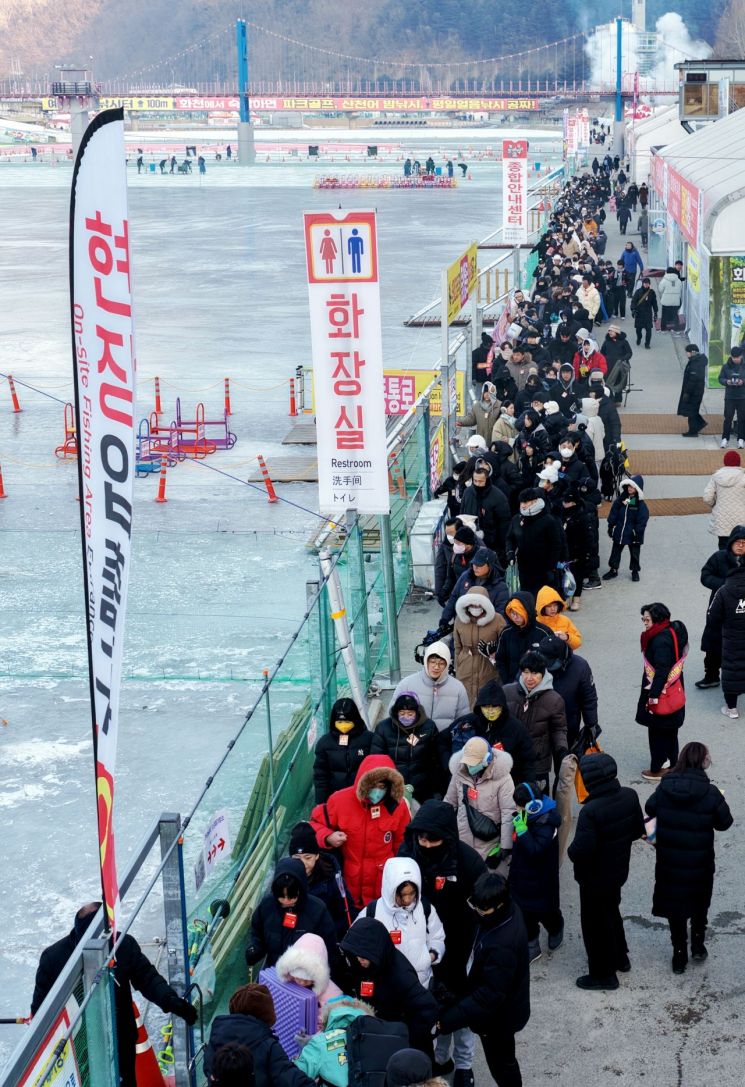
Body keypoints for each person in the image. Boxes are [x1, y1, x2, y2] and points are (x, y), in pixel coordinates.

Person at [31, 903, 197, 1087]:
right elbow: (41, 1013)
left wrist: (170, 1000)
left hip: (121, 1042)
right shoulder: (53, 959)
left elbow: (147, 977)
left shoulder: (123, 945)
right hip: (80, 1051)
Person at [398, 801, 486, 1083]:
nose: (424, 843)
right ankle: (439, 1058)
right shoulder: (408, 856)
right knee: (429, 1007)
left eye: (431, 838)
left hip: (460, 947)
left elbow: (484, 903)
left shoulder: (468, 861)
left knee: (461, 1009)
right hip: (420, 948)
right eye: (420, 837)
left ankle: (463, 1065)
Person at [644, 742, 733, 974]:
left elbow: (649, 808)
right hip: (700, 862)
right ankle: (698, 945)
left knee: (676, 909)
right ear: (704, 761)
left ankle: (679, 954)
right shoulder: (710, 792)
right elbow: (725, 823)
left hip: (669, 861)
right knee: (699, 903)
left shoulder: (665, 787)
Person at [436, 872, 530, 1087]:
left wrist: (449, 1020)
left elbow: (488, 995)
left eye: (482, 909)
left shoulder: (503, 944)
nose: (477, 912)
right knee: (503, 1061)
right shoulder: (502, 914)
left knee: (502, 1064)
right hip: (501, 1009)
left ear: (499, 905)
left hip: (499, 1019)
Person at [567, 753, 645, 990]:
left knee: (595, 925)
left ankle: (603, 974)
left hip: (593, 878)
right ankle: (621, 956)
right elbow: (636, 831)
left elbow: (580, 851)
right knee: (611, 912)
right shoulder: (629, 795)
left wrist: (570, 849)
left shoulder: (590, 811)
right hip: (618, 871)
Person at [310, 755, 410, 909]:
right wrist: (328, 836)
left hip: (383, 886)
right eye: (373, 785)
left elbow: (403, 844)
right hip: (350, 883)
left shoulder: (398, 806)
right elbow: (314, 825)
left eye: (383, 787)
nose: (378, 791)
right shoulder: (339, 801)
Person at [340, 918, 439, 1056]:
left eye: (363, 956)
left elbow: (427, 1007)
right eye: (356, 955)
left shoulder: (400, 975)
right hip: (379, 1034)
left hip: (403, 1044)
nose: (358, 960)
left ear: (376, 951)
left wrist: (404, 1036)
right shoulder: (362, 964)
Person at [357, 857, 446, 987]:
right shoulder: (372, 911)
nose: (407, 900)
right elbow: (356, 944)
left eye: (412, 893)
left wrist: (431, 956)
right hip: (386, 985)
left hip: (420, 984)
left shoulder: (425, 908)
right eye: (402, 895)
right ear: (390, 889)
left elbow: (437, 937)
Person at [204, 983, 315, 1087]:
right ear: (267, 1015)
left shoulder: (218, 1033)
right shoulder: (268, 1044)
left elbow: (208, 1069)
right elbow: (288, 1076)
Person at [244, 857, 338, 969]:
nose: (286, 901)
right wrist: (255, 949)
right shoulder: (267, 905)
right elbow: (257, 932)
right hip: (274, 970)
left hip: (304, 976)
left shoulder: (318, 910)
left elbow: (329, 946)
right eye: (281, 896)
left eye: (292, 896)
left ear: (301, 889)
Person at [509, 782, 563, 964]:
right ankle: (532, 945)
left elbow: (535, 850)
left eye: (519, 804)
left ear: (533, 806)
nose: (516, 808)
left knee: (546, 911)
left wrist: (522, 831)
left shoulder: (547, 823)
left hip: (541, 878)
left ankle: (556, 927)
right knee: (525, 914)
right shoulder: (529, 815)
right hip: (521, 875)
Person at [635, 603, 688, 782]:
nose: (644, 622)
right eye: (643, 619)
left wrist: (653, 696)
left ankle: (658, 767)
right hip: (674, 690)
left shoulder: (659, 640)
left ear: (657, 619)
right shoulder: (672, 630)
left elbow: (662, 670)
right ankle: (673, 762)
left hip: (661, 692)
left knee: (657, 731)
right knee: (671, 730)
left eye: (647, 619)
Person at [448, 680, 536, 784]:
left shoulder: (516, 728)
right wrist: (449, 766)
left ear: (502, 706)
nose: (490, 711)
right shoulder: (467, 722)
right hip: (470, 783)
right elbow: (442, 740)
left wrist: (525, 787)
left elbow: (528, 761)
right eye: (486, 706)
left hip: (505, 785)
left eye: (494, 706)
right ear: (480, 706)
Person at [503, 652, 568, 792]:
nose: (529, 678)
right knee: (510, 803)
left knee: (536, 804)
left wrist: (562, 749)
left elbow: (559, 729)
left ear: (543, 673)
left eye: (534, 673)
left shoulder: (554, 700)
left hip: (538, 763)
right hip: (509, 759)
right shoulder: (507, 692)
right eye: (526, 672)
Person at [444, 737, 514, 867]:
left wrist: (506, 847)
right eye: (468, 762)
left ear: (486, 759)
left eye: (474, 763)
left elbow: (508, 812)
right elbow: (449, 803)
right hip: (463, 842)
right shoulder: (459, 773)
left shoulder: (503, 779)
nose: (470, 766)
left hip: (489, 846)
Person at [371, 692, 443, 803]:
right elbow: (376, 759)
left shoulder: (428, 727)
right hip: (393, 787)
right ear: (396, 713)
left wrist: (436, 789)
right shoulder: (383, 728)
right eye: (402, 713)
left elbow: (435, 759)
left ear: (417, 713)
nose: (406, 717)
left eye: (410, 714)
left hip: (422, 788)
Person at [697, 525, 745, 689]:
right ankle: (711, 676)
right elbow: (705, 575)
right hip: (719, 610)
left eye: (744, 542)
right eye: (737, 542)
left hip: (741, 613)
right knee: (713, 644)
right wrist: (723, 586)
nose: (740, 545)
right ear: (731, 542)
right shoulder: (719, 558)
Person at [287, 821, 354, 937]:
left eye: (308, 857)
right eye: (297, 858)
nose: (303, 864)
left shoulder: (333, 881)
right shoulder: (284, 880)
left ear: (317, 856)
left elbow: (346, 915)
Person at [391, 643, 470, 735]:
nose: (436, 667)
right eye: (432, 662)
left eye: (441, 663)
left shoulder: (458, 688)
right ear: (426, 661)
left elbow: (463, 721)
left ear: (447, 664)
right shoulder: (406, 684)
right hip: (414, 742)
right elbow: (393, 715)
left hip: (444, 742)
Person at [537, 634, 599, 750]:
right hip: (539, 722)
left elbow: (589, 698)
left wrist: (591, 724)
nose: (547, 666)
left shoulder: (580, 667)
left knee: (564, 758)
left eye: (550, 662)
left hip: (568, 722)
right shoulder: (535, 662)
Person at [705, 552, 745, 719]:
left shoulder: (724, 589)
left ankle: (732, 709)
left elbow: (712, 615)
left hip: (732, 638)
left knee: (733, 669)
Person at [505, 489, 565, 597]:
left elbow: (556, 544)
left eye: (526, 502)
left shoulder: (548, 520)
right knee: (527, 595)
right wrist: (510, 552)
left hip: (543, 568)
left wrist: (551, 567)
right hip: (524, 567)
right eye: (521, 502)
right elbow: (510, 538)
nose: (523, 505)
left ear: (535, 501)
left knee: (542, 597)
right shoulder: (517, 519)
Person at [453, 585, 505, 707]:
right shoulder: (460, 619)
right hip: (466, 666)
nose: (475, 608)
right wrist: (458, 666)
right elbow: (457, 646)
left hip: (488, 667)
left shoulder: (497, 620)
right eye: (472, 605)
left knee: (487, 699)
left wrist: (494, 652)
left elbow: (504, 645)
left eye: (479, 605)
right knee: (466, 700)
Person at [313, 697, 372, 803]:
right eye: (339, 721)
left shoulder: (369, 739)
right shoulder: (324, 743)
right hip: (336, 798)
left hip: (363, 797)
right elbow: (320, 776)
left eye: (347, 721)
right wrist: (321, 803)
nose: (343, 725)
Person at [275, 932, 343, 1025]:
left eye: (307, 979)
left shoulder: (332, 995)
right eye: (298, 976)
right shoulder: (288, 981)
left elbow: (333, 1023)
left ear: (318, 977)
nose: (301, 982)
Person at [492, 592, 553, 685]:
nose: (515, 617)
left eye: (518, 613)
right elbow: (500, 659)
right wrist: (507, 681)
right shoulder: (506, 632)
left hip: (538, 685)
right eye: (512, 613)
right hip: (512, 684)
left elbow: (551, 661)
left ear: (527, 612)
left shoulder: (543, 632)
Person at [560, 482, 601, 603]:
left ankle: (576, 599)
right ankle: (566, 597)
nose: (564, 504)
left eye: (567, 502)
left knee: (577, 575)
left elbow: (589, 537)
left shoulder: (583, 516)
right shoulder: (562, 514)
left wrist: (587, 554)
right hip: (565, 550)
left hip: (579, 551)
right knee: (565, 574)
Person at [603, 474, 649, 582]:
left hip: (633, 534)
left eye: (632, 487)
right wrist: (611, 525)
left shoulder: (640, 504)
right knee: (615, 551)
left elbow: (642, 519)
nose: (629, 488)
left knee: (634, 553)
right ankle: (613, 569)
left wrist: (637, 532)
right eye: (628, 486)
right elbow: (614, 512)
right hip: (620, 531)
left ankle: (635, 571)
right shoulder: (621, 500)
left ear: (637, 489)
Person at [458, 464, 511, 558]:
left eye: (481, 481)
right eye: (475, 481)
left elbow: (504, 524)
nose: (478, 484)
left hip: (491, 545)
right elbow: (462, 514)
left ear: (486, 480)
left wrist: (502, 548)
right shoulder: (468, 493)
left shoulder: (498, 497)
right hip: (470, 544)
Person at [703, 450, 745, 546]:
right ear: (739, 463)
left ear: (725, 462)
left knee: (724, 549)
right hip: (741, 519)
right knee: (741, 547)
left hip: (721, 520)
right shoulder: (743, 477)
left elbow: (707, 497)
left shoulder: (716, 477)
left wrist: (714, 504)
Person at [678, 343, 708, 437]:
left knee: (691, 412)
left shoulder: (695, 363)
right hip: (696, 391)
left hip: (694, 393)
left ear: (693, 352)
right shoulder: (696, 361)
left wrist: (687, 393)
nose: (687, 354)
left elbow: (692, 380)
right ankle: (696, 427)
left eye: (688, 352)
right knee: (692, 411)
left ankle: (693, 431)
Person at [718, 345, 745, 448]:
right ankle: (725, 438)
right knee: (728, 418)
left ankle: (741, 439)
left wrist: (742, 382)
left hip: (742, 397)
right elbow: (720, 378)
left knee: (742, 419)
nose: (736, 360)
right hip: (730, 397)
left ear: (741, 356)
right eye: (734, 358)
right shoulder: (726, 366)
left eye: (737, 357)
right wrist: (727, 381)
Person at [630, 276, 658, 349]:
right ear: (642, 284)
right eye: (644, 283)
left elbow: (654, 303)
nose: (646, 285)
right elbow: (633, 301)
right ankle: (639, 338)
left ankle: (647, 344)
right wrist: (633, 310)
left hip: (648, 314)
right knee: (638, 330)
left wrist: (655, 312)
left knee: (649, 330)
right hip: (639, 313)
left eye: (647, 283)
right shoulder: (638, 292)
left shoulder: (652, 292)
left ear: (649, 284)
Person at [658, 266, 683, 331]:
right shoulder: (678, 281)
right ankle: (676, 329)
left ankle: (663, 328)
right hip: (675, 301)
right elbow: (680, 289)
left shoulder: (664, 280)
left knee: (664, 315)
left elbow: (660, 290)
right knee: (675, 315)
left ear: (667, 272)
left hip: (666, 301)